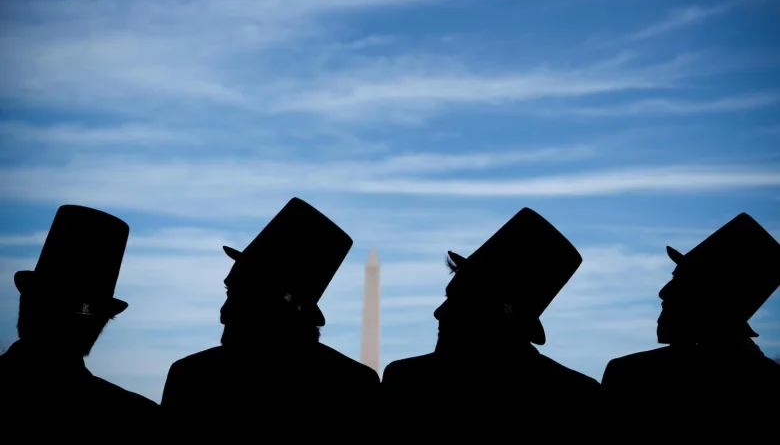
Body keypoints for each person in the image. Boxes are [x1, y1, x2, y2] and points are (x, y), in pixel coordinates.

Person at [160, 197, 380, 436]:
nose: (224, 313)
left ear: (276, 306)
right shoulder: (354, 384)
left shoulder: (192, 377)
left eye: (241, 296)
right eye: (228, 292)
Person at [381, 207, 600, 435]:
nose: (439, 312)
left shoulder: (405, 381)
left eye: (456, 300)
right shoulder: (578, 395)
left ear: (493, 313)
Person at [601, 212, 780, 428]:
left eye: (681, 281)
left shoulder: (631, 376)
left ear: (711, 298)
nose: (663, 292)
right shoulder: (769, 384)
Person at [0, 204, 159, 432]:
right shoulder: (137, 419)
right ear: (101, 323)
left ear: (26, 302)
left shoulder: (137, 416)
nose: (68, 320)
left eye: (85, 309)